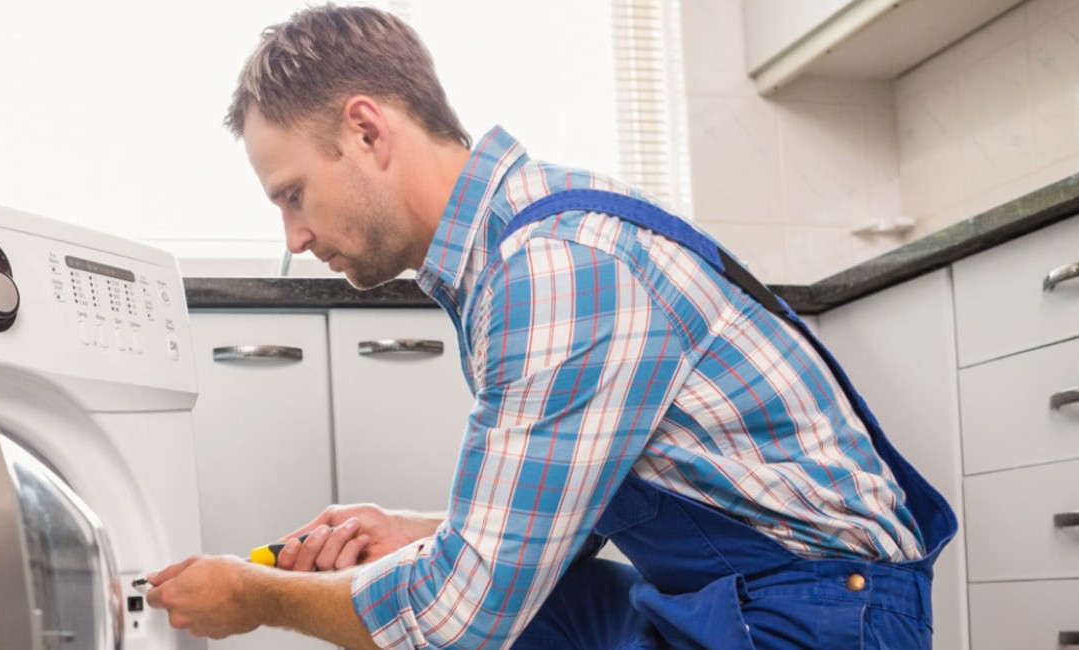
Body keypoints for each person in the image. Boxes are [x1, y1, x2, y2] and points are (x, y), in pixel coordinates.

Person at [141, 5, 956, 648]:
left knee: (450, 623)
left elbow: (455, 622)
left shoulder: (553, 266)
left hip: (816, 620)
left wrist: (256, 598)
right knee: (473, 599)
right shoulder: (507, 246)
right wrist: (417, 532)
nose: (294, 237)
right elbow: (556, 515)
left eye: (292, 194)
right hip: (734, 594)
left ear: (366, 131)